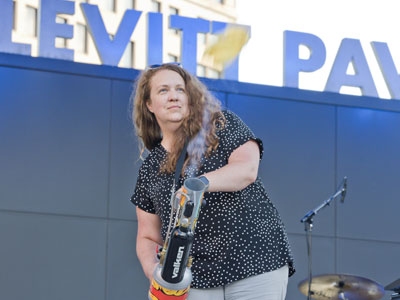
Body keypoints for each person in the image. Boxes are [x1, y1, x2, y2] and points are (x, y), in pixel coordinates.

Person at [130, 63, 295, 300]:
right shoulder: (150, 168)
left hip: (254, 262)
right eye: (163, 90)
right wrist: (156, 274)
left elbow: (247, 169)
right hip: (193, 280)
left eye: (180, 89)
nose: (174, 96)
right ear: (149, 104)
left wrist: (198, 185)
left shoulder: (220, 124)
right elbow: (147, 236)